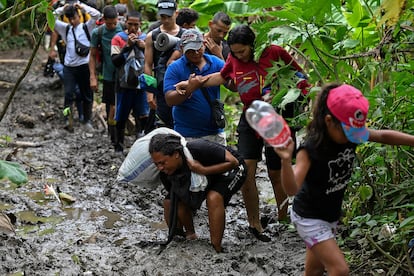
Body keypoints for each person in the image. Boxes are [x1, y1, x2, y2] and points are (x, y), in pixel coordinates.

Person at [175, 24, 308, 241]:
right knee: (247, 170)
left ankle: (283, 218)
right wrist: (194, 84)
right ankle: (255, 225)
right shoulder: (235, 59)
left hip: (276, 117)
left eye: (242, 52)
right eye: (234, 53)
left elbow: (301, 76)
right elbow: (222, 76)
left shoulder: (272, 53)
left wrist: (297, 98)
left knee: (276, 172)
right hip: (250, 117)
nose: (238, 56)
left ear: (252, 45)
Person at [273, 83, 414, 276]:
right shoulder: (311, 149)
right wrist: (286, 161)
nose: (354, 138)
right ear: (329, 121)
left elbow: (382, 135)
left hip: (329, 215)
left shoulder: (351, 135)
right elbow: (291, 189)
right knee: (340, 269)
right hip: (309, 218)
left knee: (314, 270)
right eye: (349, 132)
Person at [148, 133, 247, 253]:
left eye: (163, 163)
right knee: (170, 202)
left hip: (231, 168)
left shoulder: (198, 148)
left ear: (176, 155)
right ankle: (187, 236)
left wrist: (203, 170)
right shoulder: (166, 172)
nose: (160, 168)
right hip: (207, 176)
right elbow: (178, 199)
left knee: (213, 197)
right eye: (156, 164)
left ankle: (217, 247)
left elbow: (233, 162)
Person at [164, 29, 226, 145]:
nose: (196, 53)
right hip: (187, 134)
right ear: (182, 49)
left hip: (215, 132)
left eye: (199, 48)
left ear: (204, 44)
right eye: (191, 51)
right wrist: (189, 89)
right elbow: (169, 99)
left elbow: (232, 84)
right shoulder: (175, 68)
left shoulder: (216, 63)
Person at [52, 2, 101, 131]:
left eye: (75, 18)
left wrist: (82, 7)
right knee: (68, 94)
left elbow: (97, 15)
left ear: (78, 16)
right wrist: (63, 9)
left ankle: (86, 120)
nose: (73, 21)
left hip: (84, 66)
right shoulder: (65, 29)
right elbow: (51, 18)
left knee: (87, 95)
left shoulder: (87, 27)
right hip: (69, 67)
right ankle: (67, 119)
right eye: (71, 19)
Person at [111, 10, 149, 153]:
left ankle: (141, 147)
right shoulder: (118, 38)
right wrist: (127, 47)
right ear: (125, 22)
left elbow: (152, 60)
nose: (133, 27)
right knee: (121, 115)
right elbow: (115, 61)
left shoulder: (146, 39)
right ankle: (118, 146)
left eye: (136, 25)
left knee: (143, 115)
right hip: (123, 85)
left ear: (140, 24)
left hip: (142, 85)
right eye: (130, 24)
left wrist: (143, 47)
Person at [144, 0, 184, 130]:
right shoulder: (152, 36)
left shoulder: (185, 35)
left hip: (181, 86)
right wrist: (150, 92)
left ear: (176, 14)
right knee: (162, 124)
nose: (165, 20)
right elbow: (148, 64)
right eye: (162, 17)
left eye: (169, 17)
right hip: (161, 86)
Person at [89, 5, 123, 145]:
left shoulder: (124, 28)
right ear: (104, 20)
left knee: (122, 103)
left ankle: (121, 131)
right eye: (109, 23)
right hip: (108, 74)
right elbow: (92, 55)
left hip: (124, 75)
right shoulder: (99, 32)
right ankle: (112, 134)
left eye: (114, 23)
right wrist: (93, 76)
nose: (112, 26)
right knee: (110, 105)